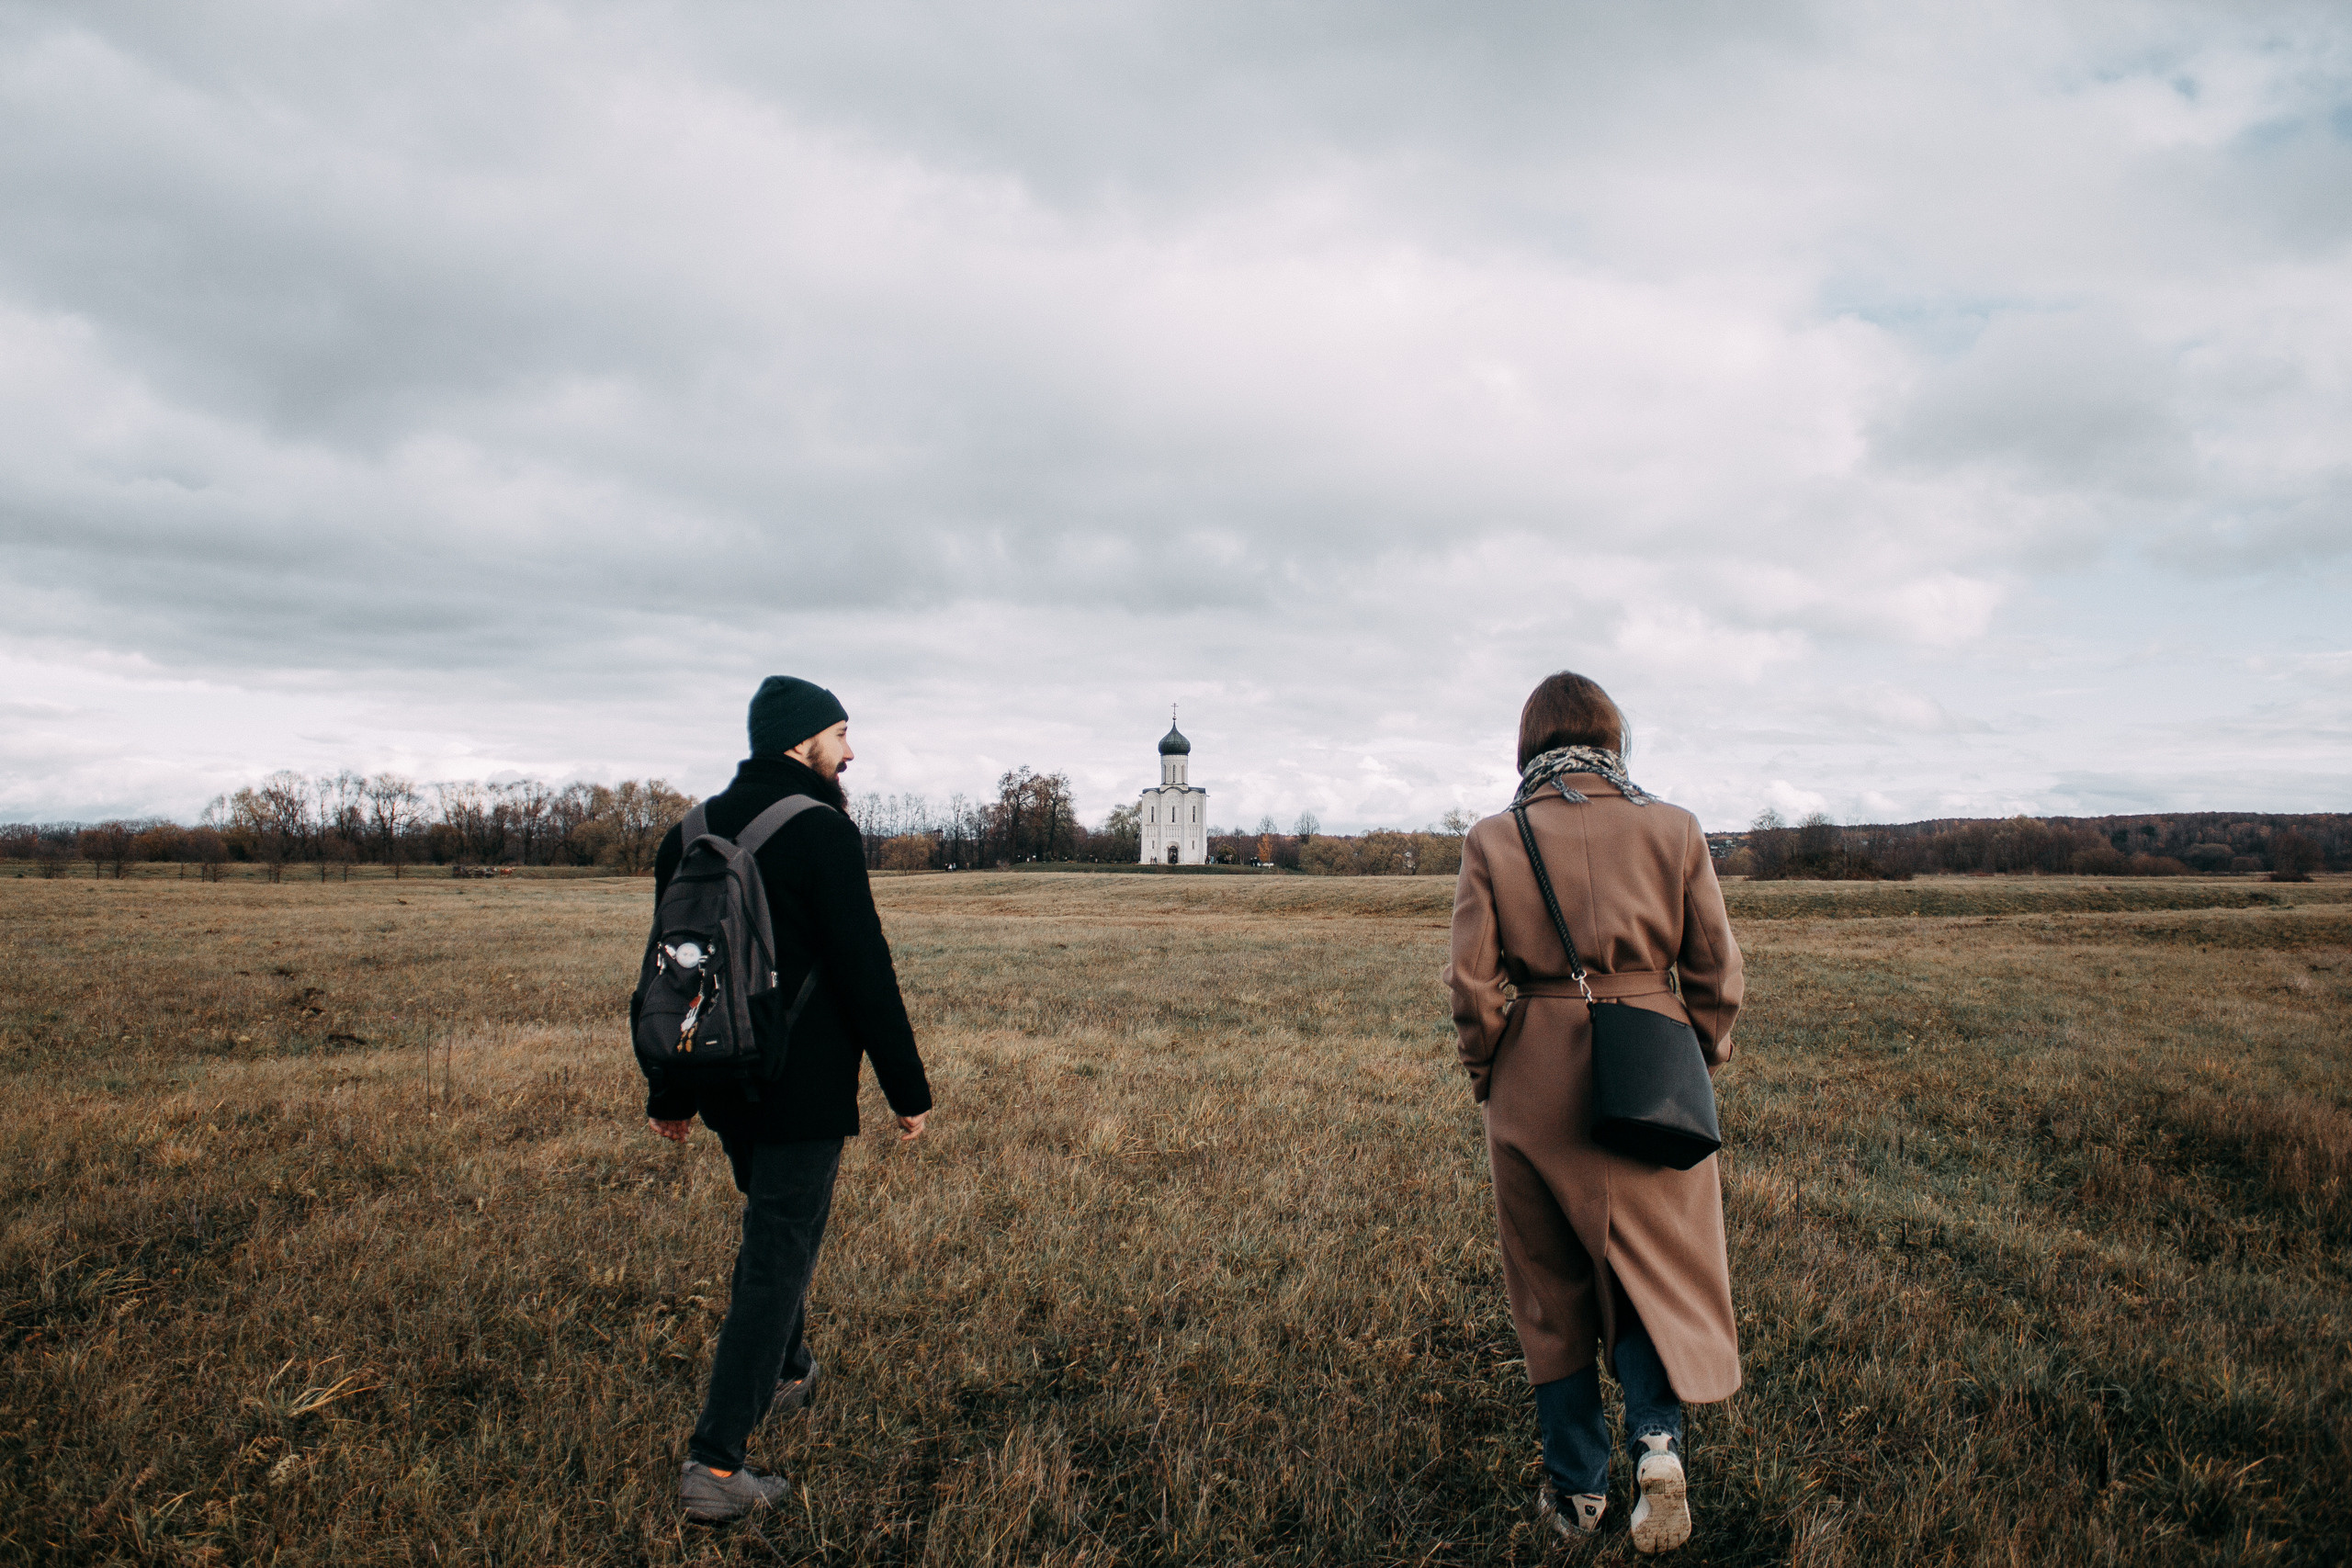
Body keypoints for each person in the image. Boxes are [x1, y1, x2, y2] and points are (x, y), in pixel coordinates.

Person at [1442, 671, 1744, 1554]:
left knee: (1551, 1291)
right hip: (1652, 1065)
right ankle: (1658, 1441)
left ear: (1528, 744)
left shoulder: (1495, 838)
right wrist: (1700, 1054)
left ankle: (1578, 1493)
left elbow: (1470, 986)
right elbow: (1718, 975)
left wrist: (1492, 1071)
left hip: (1534, 1071)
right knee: (1653, 1268)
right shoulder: (1675, 828)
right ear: (1614, 740)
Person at [644, 675, 934, 1525]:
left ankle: (788, 1368)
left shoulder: (688, 832)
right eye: (842, 734)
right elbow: (864, 968)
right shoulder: (821, 830)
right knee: (775, 1255)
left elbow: (670, 972)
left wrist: (672, 1089)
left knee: (779, 1228)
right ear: (801, 742)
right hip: (801, 1088)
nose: (852, 751)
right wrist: (906, 1089)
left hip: (721, 1077)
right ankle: (715, 1466)